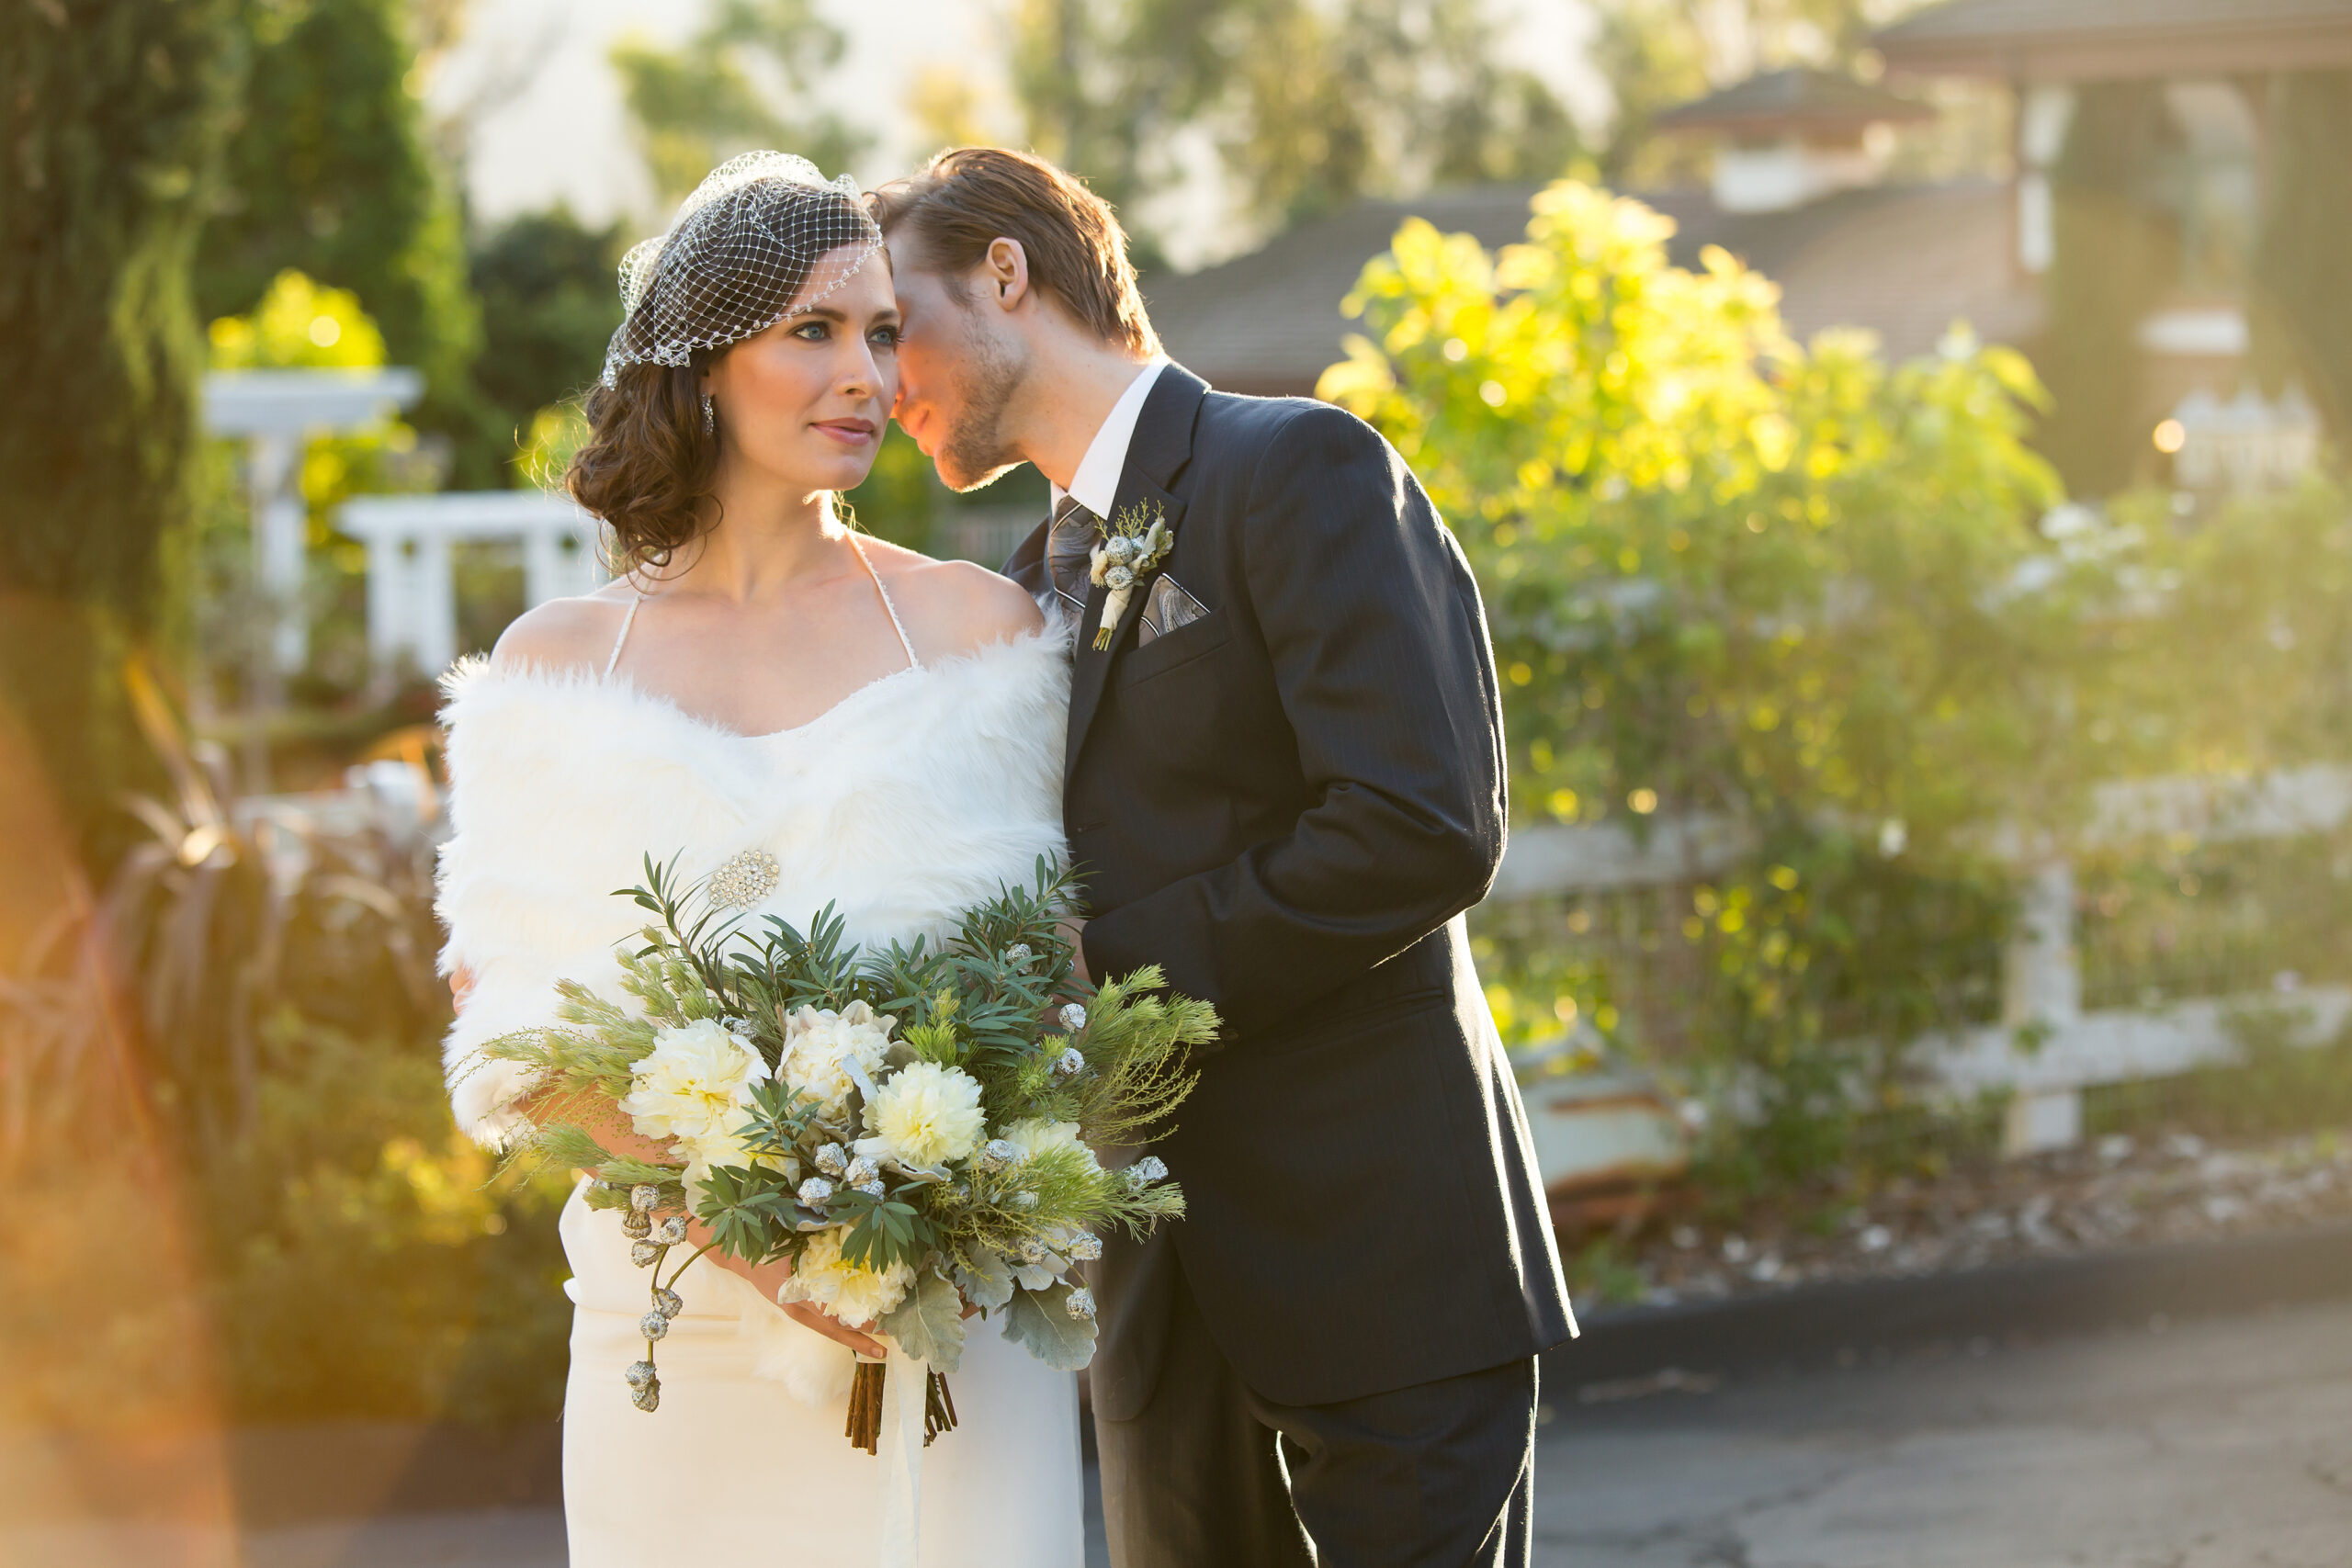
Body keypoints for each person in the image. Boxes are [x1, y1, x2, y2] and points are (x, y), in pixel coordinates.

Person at [872, 148, 1578, 1568]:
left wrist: (1109, 974)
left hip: (1380, 1254)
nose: (884, 380)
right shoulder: (1017, 590)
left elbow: (1422, 820)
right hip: (1153, 1299)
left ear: (1005, 273)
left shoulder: (1297, 466)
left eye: (896, 324)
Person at [435, 154, 1083, 1567]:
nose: (864, 371)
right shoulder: (558, 672)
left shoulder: (978, 638)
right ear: (702, 366)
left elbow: (1050, 982)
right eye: (813, 330)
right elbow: (527, 1030)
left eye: (879, 331)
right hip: (673, 1351)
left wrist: (899, 1239)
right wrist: (776, 1244)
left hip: (946, 1343)